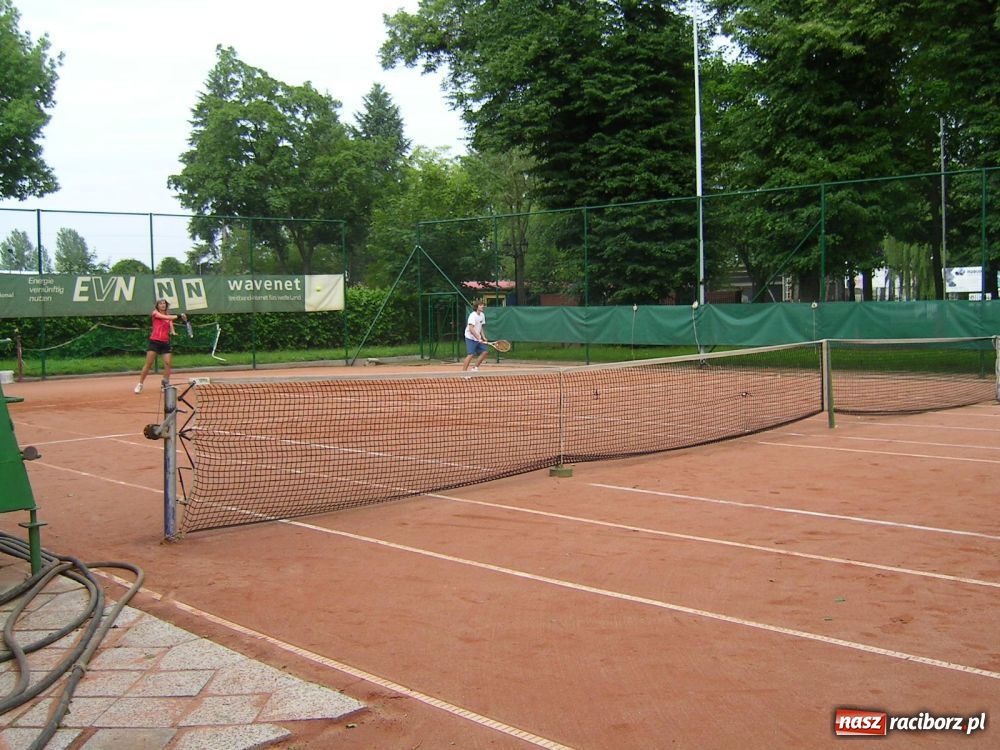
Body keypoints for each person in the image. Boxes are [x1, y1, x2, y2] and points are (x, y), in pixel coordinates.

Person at [134, 299, 186, 393]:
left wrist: (173, 332)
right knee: (149, 364)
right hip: (154, 341)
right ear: (157, 306)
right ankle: (140, 384)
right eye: (160, 303)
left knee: (168, 364)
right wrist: (179, 316)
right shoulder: (155, 313)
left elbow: (170, 324)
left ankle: (165, 385)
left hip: (165, 342)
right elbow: (165, 317)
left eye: (164, 303)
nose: (163, 305)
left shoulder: (168, 316)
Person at [462, 301, 489, 372]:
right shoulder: (472, 316)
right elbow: (471, 329)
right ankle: (463, 373)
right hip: (470, 337)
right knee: (471, 354)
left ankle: (474, 368)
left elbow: (481, 327)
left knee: (485, 352)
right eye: (481, 305)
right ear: (477, 307)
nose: (483, 306)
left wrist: (484, 337)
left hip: (478, 338)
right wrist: (478, 338)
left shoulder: (482, 315)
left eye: (483, 305)